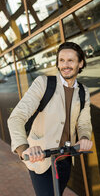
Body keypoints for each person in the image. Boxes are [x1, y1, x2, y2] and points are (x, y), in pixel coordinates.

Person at [8, 42, 93, 196]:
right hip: (40, 159)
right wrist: (24, 148)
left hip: (65, 158)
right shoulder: (43, 83)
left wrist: (85, 137)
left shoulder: (83, 92)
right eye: (61, 60)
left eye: (70, 60)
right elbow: (16, 117)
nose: (65, 65)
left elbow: (84, 123)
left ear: (80, 63)